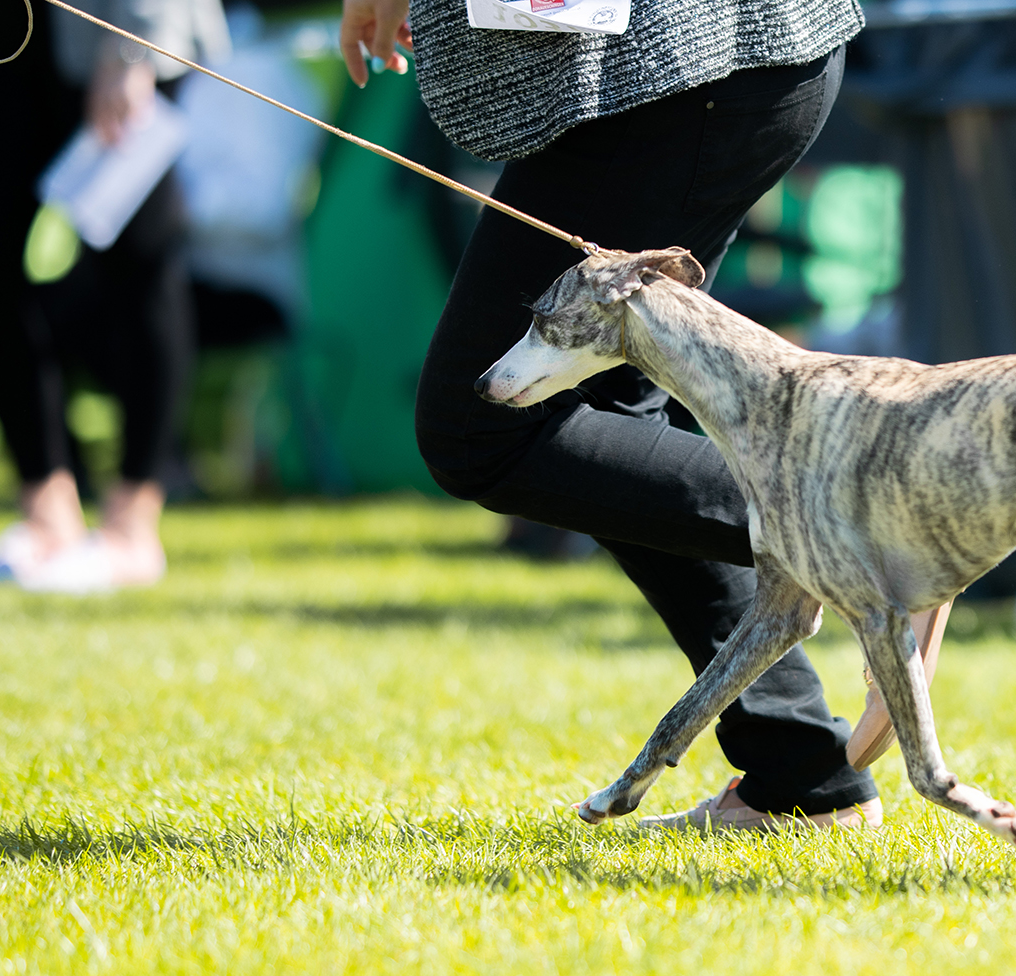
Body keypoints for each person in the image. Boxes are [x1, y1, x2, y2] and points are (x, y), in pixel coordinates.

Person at [339, 0, 938, 828]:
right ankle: (802, 778)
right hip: (720, 66)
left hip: (677, 75)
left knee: (481, 427)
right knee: (606, 430)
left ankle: (875, 521)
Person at [0, 0, 226, 592]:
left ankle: (132, 528)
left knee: (143, 272)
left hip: (115, 28)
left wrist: (134, 48)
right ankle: (47, 519)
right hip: (1, 37)